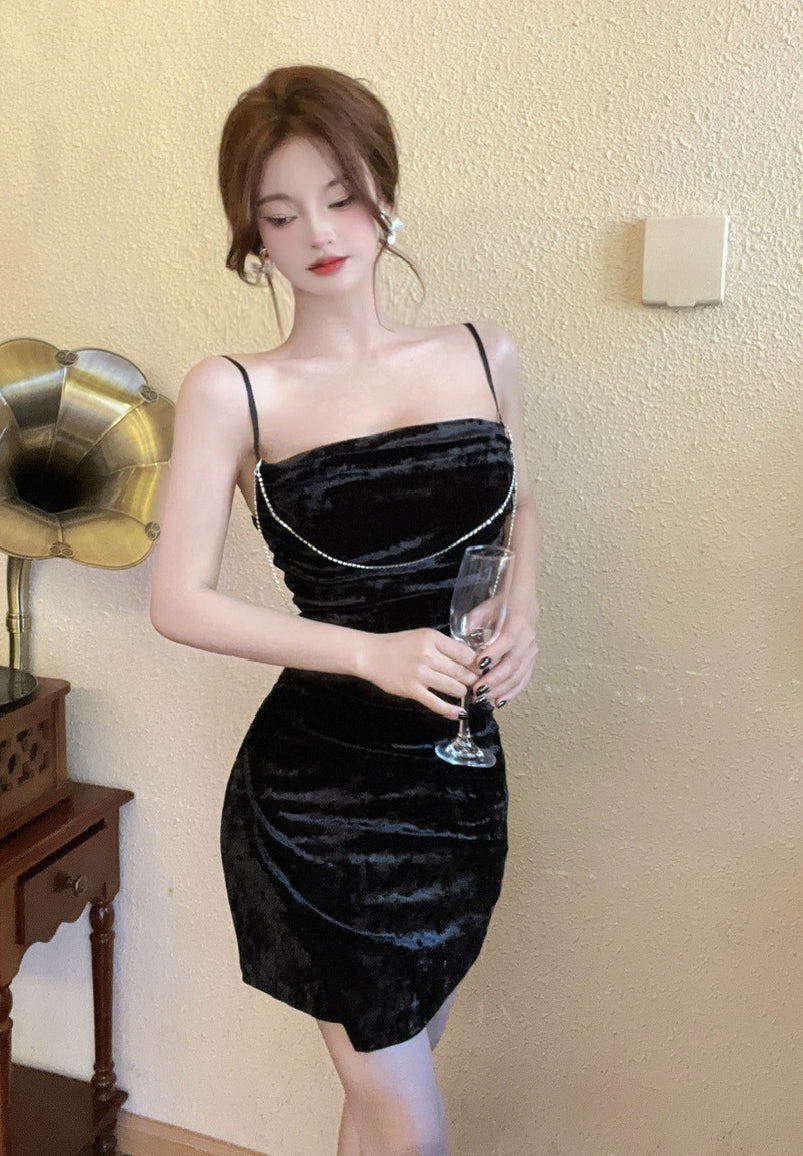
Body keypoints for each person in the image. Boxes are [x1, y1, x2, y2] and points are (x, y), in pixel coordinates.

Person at [151, 64, 540, 1156]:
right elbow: (177, 601)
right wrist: (369, 654)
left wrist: (525, 609)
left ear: (385, 193)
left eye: (341, 196)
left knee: (387, 1082)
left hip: (457, 778)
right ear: (252, 238)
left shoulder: (482, 352)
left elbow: (521, 503)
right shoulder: (232, 388)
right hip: (318, 797)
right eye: (281, 214)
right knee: (406, 1111)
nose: (319, 233)